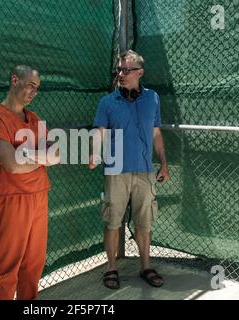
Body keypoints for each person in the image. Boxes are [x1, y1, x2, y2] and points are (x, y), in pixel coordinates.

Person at [89, 50, 169, 289]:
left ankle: (146, 266)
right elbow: (100, 132)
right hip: (116, 171)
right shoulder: (107, 102)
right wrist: (94, 152)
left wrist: (163, 163)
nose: (121, 74)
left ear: (140, 72)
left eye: (126, 70)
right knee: (113, 221)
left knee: (144, 223)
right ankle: (111, 268)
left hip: (145, 171)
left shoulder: (153, 98)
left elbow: (156, 133)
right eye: (119, 70)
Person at [0, 65, 59, 300]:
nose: (34, 91)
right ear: (15, 80)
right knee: (6, 267)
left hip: (39, 195)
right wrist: (39, 157)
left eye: (38, 88)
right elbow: (12, 165)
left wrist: (26, 154)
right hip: (13, 198)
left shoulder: (34, 119)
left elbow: (56, 155)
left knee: (34, 263)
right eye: (30, 85)